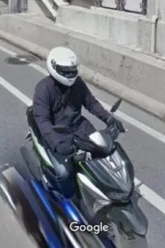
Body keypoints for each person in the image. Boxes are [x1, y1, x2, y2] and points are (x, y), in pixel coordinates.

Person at [31, 47, 125, 198]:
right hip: (58, 133)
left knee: (102, 153)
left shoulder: (78, 84)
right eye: (66, 71)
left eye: (72, 70)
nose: (70, 74)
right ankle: (68, 198)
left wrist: (109, 119)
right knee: (64, 172)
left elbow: (91, 103)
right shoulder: (43, 89)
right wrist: (58, 143)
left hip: (79, 127)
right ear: (54, 67)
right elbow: (43, 121)